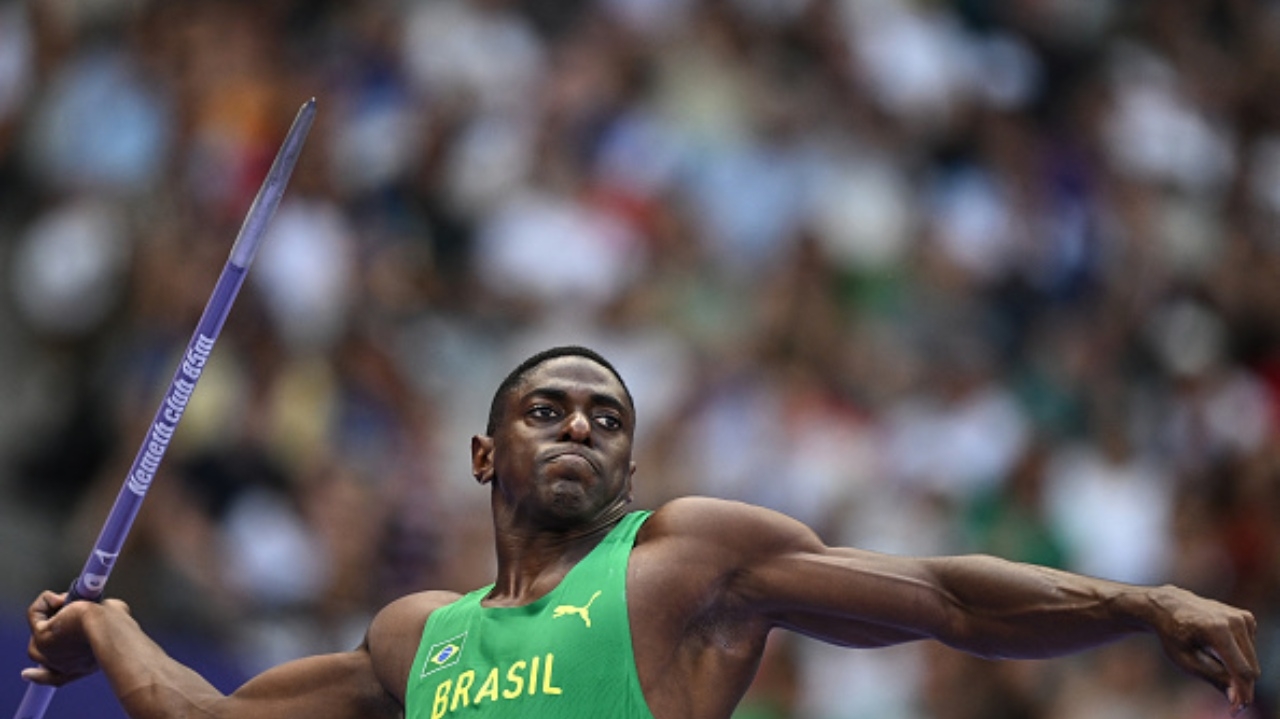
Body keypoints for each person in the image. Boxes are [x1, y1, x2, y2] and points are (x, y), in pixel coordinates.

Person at [24, 345, 1261, 718]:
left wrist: (1140, 600)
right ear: (482, 453)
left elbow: (940, 593)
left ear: (629, 459)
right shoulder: (416, 638)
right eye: (544, 407)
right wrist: (109, 624)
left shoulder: (686, 557)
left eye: (604, 416)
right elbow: (206, 718)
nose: (577, 425)